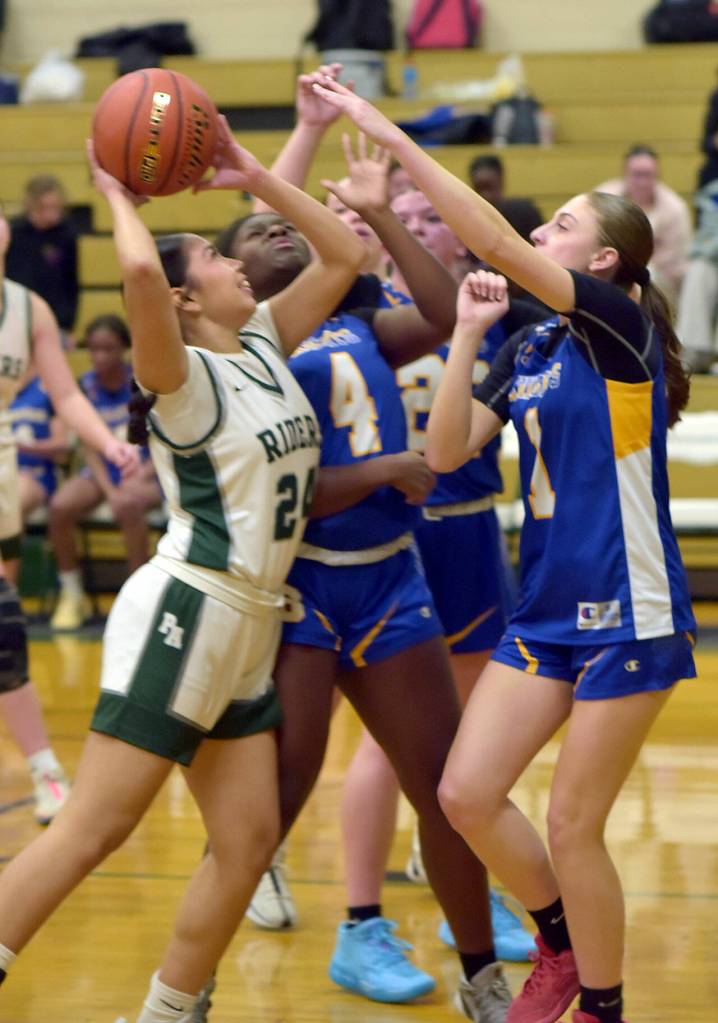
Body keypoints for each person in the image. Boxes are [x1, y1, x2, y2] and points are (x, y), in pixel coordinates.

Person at [310, 76, 697, 1023]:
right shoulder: (529, 347)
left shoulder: (618, 326)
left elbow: (485, 236)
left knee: (572, 821)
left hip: (629, 610)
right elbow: (443, 455)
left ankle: (600, 1004)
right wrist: (471, 332)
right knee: (465, 793)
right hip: (547, 609)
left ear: (601, 256)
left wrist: (380, 127)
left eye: (558, 223)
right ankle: (562, 943)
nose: (539, 234)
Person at [0, 115, 365, 1023]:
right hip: (188, 610)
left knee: (245, 847)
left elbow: (343, 255)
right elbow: (135, 277)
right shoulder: (185, 375)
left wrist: (250, 172)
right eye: (211, 253)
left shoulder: (267, 343)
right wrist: (119, 197)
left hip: (249, 624)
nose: (236, 257)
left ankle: (166, 1014)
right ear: (184, 299)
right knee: (96, 827)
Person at [208, 134, 513, 1022]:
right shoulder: (240, 353)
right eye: (260, 230)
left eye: (287, 224)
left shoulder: (357, 314)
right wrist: (384, 468)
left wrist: (379, 208)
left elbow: (445, 309)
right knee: (275, 803)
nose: (281, 231)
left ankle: (482, 979)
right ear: (227, 274)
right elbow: (285, 497)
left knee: (448, 790)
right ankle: (190, 982)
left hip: (391, 582)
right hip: (302, 592)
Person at [0, 206, 138, 826]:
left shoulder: (29, 309)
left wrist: (108, 443)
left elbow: (64, 393)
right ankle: (44, 766)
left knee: (5, 635)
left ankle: (45, 770)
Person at [49, 314, 163, 631]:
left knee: (128, 504)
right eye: (94, 349)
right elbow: (89, 447)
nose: (100, 356)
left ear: (124, 349)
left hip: (147, 469)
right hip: (102, 469)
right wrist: (109, 490)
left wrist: (144, 473)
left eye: (108, 349)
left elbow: (164, 438)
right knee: (60, 507)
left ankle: (138, 599)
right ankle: (72, 594)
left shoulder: (141, 381)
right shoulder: (84, 385)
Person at [596, 145, 691, 307]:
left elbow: (677, 261)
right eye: (636, 175)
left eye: (648, 175)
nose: (642, 182)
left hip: (660, 279)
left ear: (658, 175)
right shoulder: (604, 198)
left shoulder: (675, 208)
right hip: (608, 268)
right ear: (625, 174)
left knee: (646, 274)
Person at [6, 175, 79, 343]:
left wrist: (68, 325)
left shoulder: (66, 234)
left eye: (56, 207)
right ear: (32, 205)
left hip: (55, 319)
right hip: (17, 317)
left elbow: (71, 281)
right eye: (47, 207)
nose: (53, 213)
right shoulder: (13, 232)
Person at [10, 376, 69, 523]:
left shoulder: (46, 388)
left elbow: (62, 445)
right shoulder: (5, 391)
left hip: (36, 476)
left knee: (10, 503)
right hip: (6, 472)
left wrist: (27, 447)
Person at [468, 155, 543, 243]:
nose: (485, 195)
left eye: (489, 187)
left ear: (501, 181)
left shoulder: (525, 212)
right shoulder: (469, 221)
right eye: (478, 188)